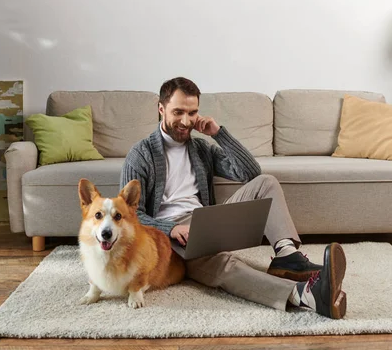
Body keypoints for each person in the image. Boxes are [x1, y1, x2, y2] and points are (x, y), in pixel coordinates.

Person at [120, 77, 347, 319]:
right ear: (161, 109)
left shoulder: (201, 149)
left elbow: (250, 173)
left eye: (192, 112)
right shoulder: (140, 155)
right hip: (165, 239)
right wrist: (171, 228)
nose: (186, 122)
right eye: (178, 112)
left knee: (266, 182)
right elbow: (128, 216)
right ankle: (305, 296)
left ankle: (287, 256)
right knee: (224, 264)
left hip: (205, 225)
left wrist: (218, 134)